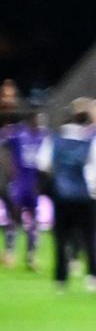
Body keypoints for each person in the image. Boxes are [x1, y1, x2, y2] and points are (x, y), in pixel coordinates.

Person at [35, 98, 96, 291]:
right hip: (87, 196)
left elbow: (42, 165)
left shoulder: (54, 139)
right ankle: (93, 275)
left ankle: (61, 278)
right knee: (89, 237)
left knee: (61, 238)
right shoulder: (94, 141)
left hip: (62, 195)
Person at [2, 108, 45, 271]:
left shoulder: (43, 136)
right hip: (19, 183)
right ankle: (9, 253)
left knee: (34, 221)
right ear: (30, 119)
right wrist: (8, 167)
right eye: (38, 119)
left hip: (34, 184)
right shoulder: (17, 134)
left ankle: (31, 256)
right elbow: (4, 144)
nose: (40, 123)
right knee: (14, 218)